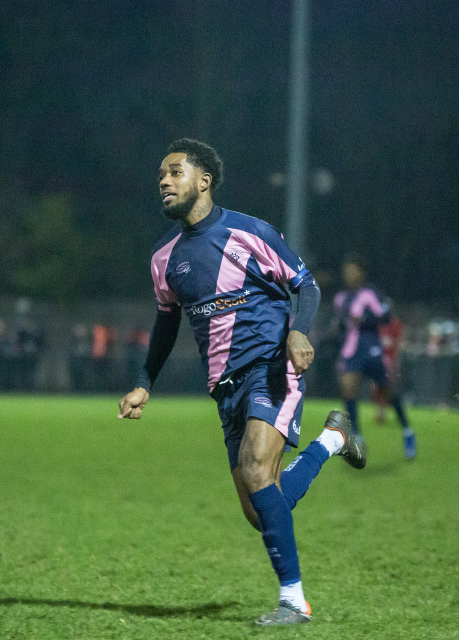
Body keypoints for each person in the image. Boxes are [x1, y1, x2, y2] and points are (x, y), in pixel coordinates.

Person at [118, 138, 366, 626]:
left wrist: (297, 331)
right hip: (223, 387)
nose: (164, 182)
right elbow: (167, 322)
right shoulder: (164, 258)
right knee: (261, 508)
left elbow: (306, 284)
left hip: (270, 368)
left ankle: (294, 602)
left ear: (204, 180)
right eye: (160, 177)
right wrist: (145, 381)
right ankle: (333, 439)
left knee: (255, 471)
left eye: (174, 172)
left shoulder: (250, 232)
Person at [333, 253, 416, 459]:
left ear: (361, 273)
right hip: (351, 351)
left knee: (386, 391)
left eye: (353, 270)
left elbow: (385, 317)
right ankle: (357, 439)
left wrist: (364, 318)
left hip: (371, 348)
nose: (349, 274)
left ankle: (407, 430)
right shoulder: (341, 298)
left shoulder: (370, 293)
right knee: (348, 390)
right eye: (347, 270)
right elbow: (343, 324)